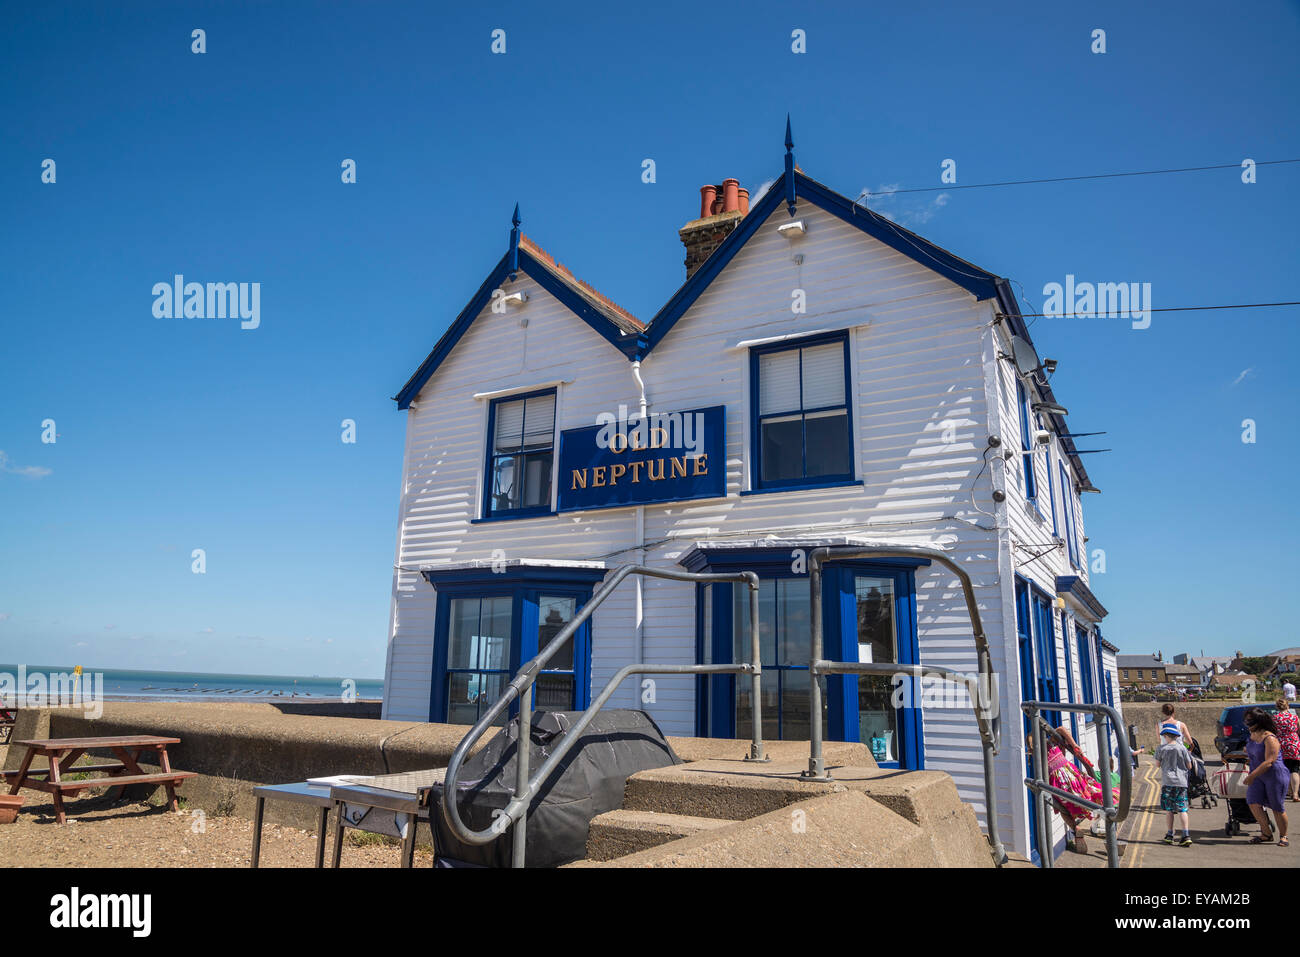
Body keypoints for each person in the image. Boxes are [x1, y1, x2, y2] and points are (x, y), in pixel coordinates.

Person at [1028, 722, 1120, 854]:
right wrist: (1074, 744)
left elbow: (1045, 774)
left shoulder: (1039, 757)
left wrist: (1073, 746)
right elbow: (1061, 729)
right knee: (1090, 795)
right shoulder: (1052, 743)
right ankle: (1111, 827)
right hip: (1070, 775)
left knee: (1063, 809)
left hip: (1059, 782)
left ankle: (1076, 828)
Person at [1242, 708, 1291, 846]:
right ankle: (1266, 833)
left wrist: (1252, 776)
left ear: (1259, 721)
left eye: (1250, 719)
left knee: (1277, 807)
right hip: (1257, 775)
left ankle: (1284, 836)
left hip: (1274, 775)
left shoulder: (1270, 738)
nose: (1247, 722)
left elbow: (1269, 761)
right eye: (1246, 719)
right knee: (1253, 802)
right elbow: (1250, 749)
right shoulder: (1252, 734)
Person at [1156, 722, 1193, 846]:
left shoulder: (1161, 749)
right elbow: (1189, 766)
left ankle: (1170, 834)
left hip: (1167, 782)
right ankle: (1186, 835)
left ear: (1165, 735)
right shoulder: (1182, 748)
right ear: (1176, 736)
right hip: (1181, 782)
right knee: (1183, 808)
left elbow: (1157, 764)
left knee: (1169, 809)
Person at [1273, 696, 1300, 802]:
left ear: (1277, 707)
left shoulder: (1274, 718)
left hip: (1280, 744)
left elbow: (1272, 731)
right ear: (1287, 706)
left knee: (1283, 769)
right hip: (1293, 743)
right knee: (1294, 769)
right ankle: (1295, 794)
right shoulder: (1295, 718)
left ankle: (1286, 792)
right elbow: (1299, 730)